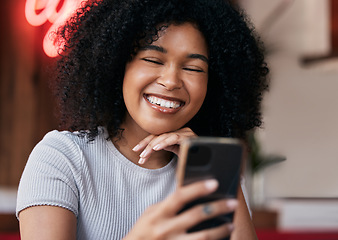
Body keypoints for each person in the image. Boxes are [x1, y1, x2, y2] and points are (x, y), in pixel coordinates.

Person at [16, 0, 269, 239]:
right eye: (152, 59)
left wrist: (215, 168)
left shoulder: (214, 170)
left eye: (193, 68)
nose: (170, 81)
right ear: (116, 66)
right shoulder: (63, 157)